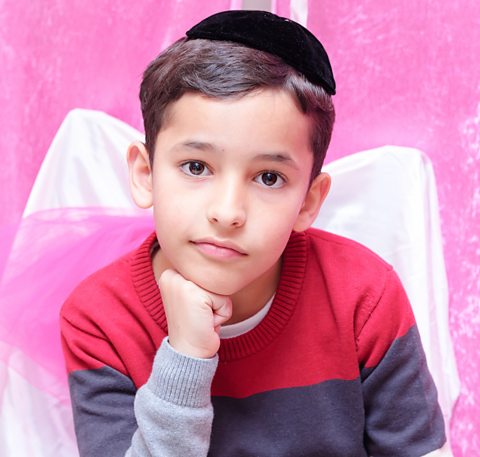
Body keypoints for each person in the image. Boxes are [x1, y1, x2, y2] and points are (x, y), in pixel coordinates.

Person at [60, 10, 447, 457]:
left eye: (268, 178)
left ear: (308, 202)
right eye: (196, 167)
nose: (227, 213)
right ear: (146, 174)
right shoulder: (98, 320)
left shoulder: (365, 296)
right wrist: (186, 355)